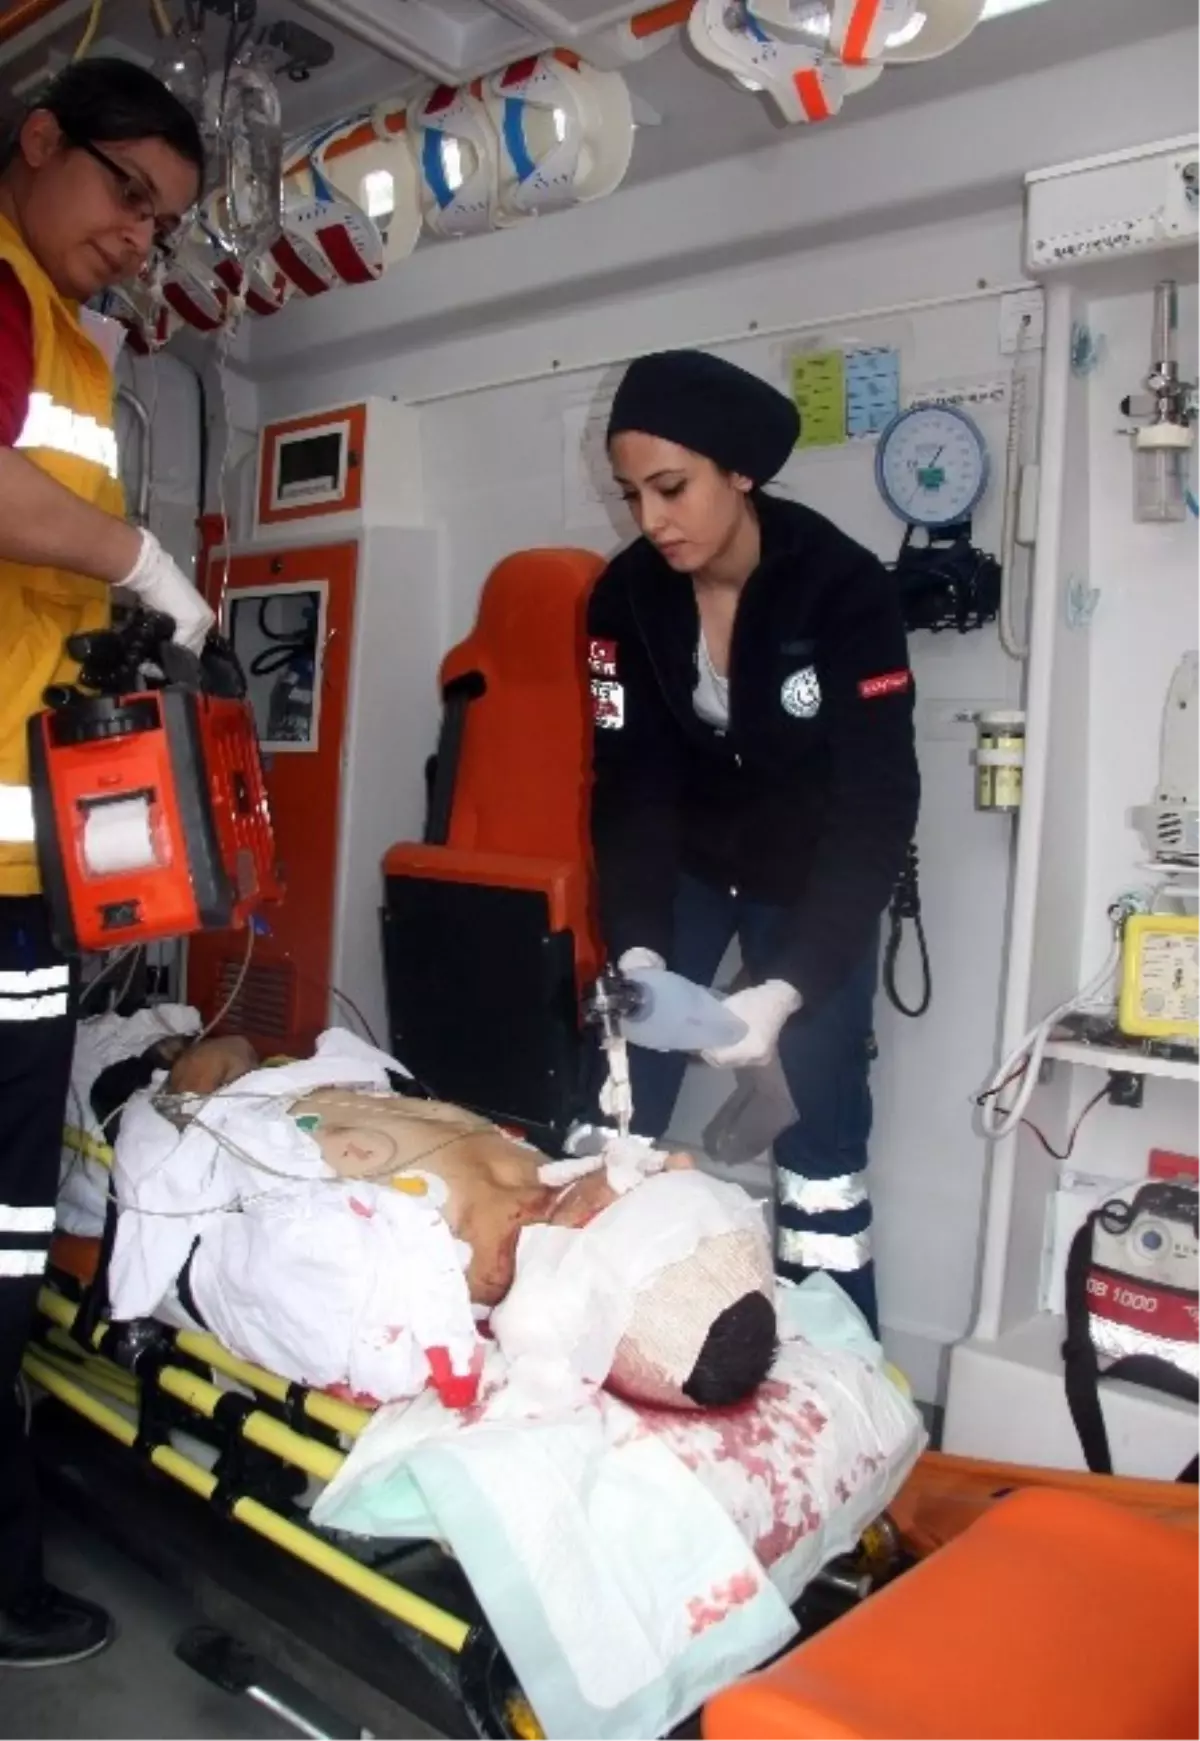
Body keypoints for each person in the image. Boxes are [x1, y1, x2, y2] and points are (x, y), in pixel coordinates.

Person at [0, 58, 212, 1670]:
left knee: (13, 1237)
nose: (140, 236)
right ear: (38, 141)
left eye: (164, 223)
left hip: (23, 880)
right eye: (127, 192)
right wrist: (138, 554)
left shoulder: (76, 348)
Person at [587, 350, 920, 1334]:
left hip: (808, 872)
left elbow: (875, 802)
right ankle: (597, 1329)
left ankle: (841, 1359)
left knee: (820, 1126)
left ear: (739, 471)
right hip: (687, 865)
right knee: (612, 1085)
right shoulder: (623, 598)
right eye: (632, 495)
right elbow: (629, 783)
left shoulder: (843, 587)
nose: (651, 520)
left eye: (671, 487)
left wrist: (790, 984)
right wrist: (638, 945)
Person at [93, 1032, 778, 1412]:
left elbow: (201, 1242)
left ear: (598, 1234)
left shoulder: (396, 1271)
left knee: (140, 1055)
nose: (669, 1160)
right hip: (276, 1077)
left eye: (651, 1188)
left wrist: (188, 1097)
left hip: (160, 1106)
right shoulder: (550, 1184)